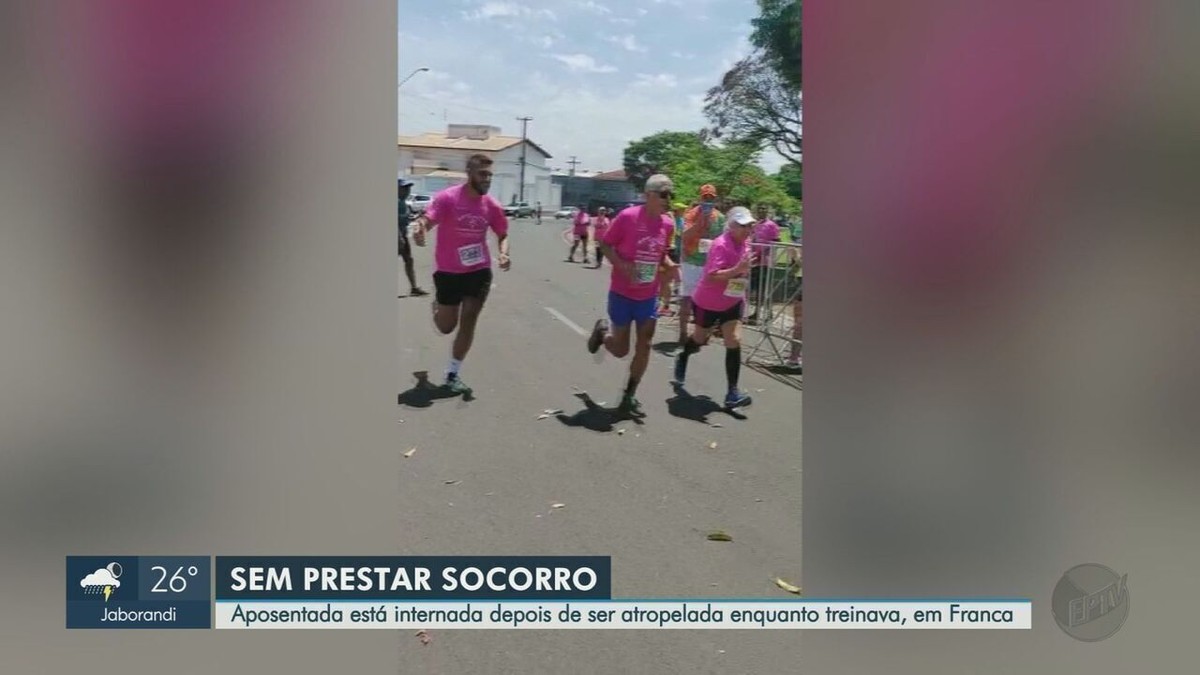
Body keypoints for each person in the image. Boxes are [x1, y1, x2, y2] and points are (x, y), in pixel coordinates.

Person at [409, 154, 511, 396]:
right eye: (482, 174)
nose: (487, 180)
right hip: (448, 271)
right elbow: (428, 219)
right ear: (469, 173)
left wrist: (504, 254)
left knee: (469, 319)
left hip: (479, 270)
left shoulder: (492, 206)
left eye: (489, 175)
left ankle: (452, 374)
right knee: (446, 326)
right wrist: (420, 230)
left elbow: (502, 234)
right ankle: (438, 308)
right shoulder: (448, 198)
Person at [586, 175, 678, 417]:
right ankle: (603, 334)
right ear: (648, 195)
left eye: (671, 195)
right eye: (664, 194)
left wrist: (670, 266)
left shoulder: (668, 224)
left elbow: (660, 255)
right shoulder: (627, 218)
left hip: (648, 295)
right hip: (622, 292)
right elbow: (605, 245)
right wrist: (622, 265)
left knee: (645, 344)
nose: (669, 200)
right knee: (620, 349)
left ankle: (629, 395)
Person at [673, 206, 756, 409]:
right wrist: (737, 269)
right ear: (732, 226)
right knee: (699, 339)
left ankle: (732, 393)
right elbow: (712, 275)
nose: (748, 230)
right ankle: (683, 356)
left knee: (734, 340)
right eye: (744, 226)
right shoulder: (720, 244)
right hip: (708, 301)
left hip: (732, 302)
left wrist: (742, 300)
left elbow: (742, 276)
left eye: (750, 226)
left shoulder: (746, 244)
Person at [678, 184, 725, 346]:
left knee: (709, 299)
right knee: (687, 297)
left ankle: (704, 334)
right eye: (705, 197)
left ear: (715, 199)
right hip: (691, 261)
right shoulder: (691, 214)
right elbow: (684, 236)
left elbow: (722, 240)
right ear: (700, 198)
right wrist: (700, 223)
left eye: (711, 198)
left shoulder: (719, 217)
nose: (708, 200)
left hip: (710, 263)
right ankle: (683, 333)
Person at [746, 204, 780, 324]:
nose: (762, 211)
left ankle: (760, 314)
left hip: (765, 261)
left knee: (763, 288)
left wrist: (764, 251)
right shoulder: (754, 224)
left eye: (764, 209)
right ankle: (759, 312)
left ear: (768, 211)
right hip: (753, 260)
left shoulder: (771, 225)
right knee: (754, 287)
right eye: (760, 209)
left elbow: (776, 240)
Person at [397, 179, 428, 297]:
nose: (407, 190)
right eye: (404, 188)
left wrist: (417, 216)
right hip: (397, 236)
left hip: (402, 235)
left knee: (409, 260)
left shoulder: (403, 202)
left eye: (408, 188)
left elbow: (405, 219)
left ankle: (414, 287)